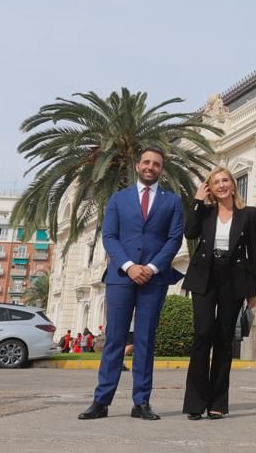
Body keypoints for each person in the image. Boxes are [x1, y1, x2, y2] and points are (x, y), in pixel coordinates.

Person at [79, 147, 185, 422]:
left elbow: (174, 240)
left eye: (157, 164)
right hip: (121, 277)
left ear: (162, 169)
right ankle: (101, 401)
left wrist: (150, 268)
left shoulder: (172, 201)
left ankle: (141, 402)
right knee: (114, 339)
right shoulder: (118, 199)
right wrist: (129, 266)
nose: (151, 167)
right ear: (138, 166)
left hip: (155, 278)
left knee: (145, 341)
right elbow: (110, 236)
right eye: (147, 162)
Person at [182, 166, 256, 421]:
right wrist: (196, 200)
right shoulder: (204, 211)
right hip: (204, 275)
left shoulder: (248, 214)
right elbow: (190, 232)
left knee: (225, 339)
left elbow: (252, 254)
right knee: (203, 334)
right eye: (216, 182)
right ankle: (195, 402)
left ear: (233, 184)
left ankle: (217, 403)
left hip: (234, 277)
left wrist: (252, 290)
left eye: (225, 180)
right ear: (210, 188)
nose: (222, 185)